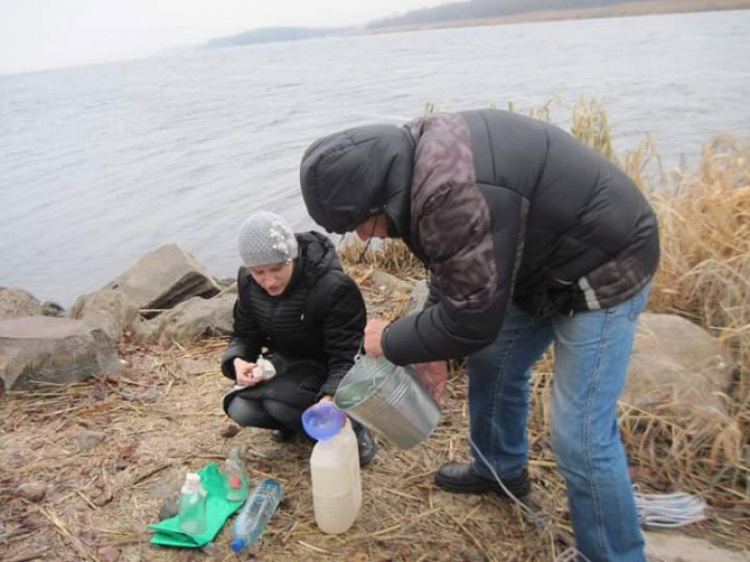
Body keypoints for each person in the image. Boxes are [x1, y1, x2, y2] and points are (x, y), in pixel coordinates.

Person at [299, 109, 659, 561]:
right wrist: (429, 344)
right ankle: (500, 470)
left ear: (376, 200)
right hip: (537, 265)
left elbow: (472, 320)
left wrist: (389, 341)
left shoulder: (450, 191)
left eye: (359, 224)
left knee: (580, 437)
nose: (360, 233)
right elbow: (449, 264)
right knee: (492, 360)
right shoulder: (411, 164)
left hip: (605, 263)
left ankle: (614, 555)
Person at [220, 211, 377, 467]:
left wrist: (332, 398)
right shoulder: (249, 284)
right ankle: (298, 424)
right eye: (259, 272)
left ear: (291, 257)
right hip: (288, 363)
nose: (269, 281)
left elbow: (349, 355)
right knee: (240, 407)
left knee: (278, 404)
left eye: (277, 269)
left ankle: (352, 428)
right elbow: (244, 333)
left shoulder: (333, 287)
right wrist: (237, 361)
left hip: (330, 367)